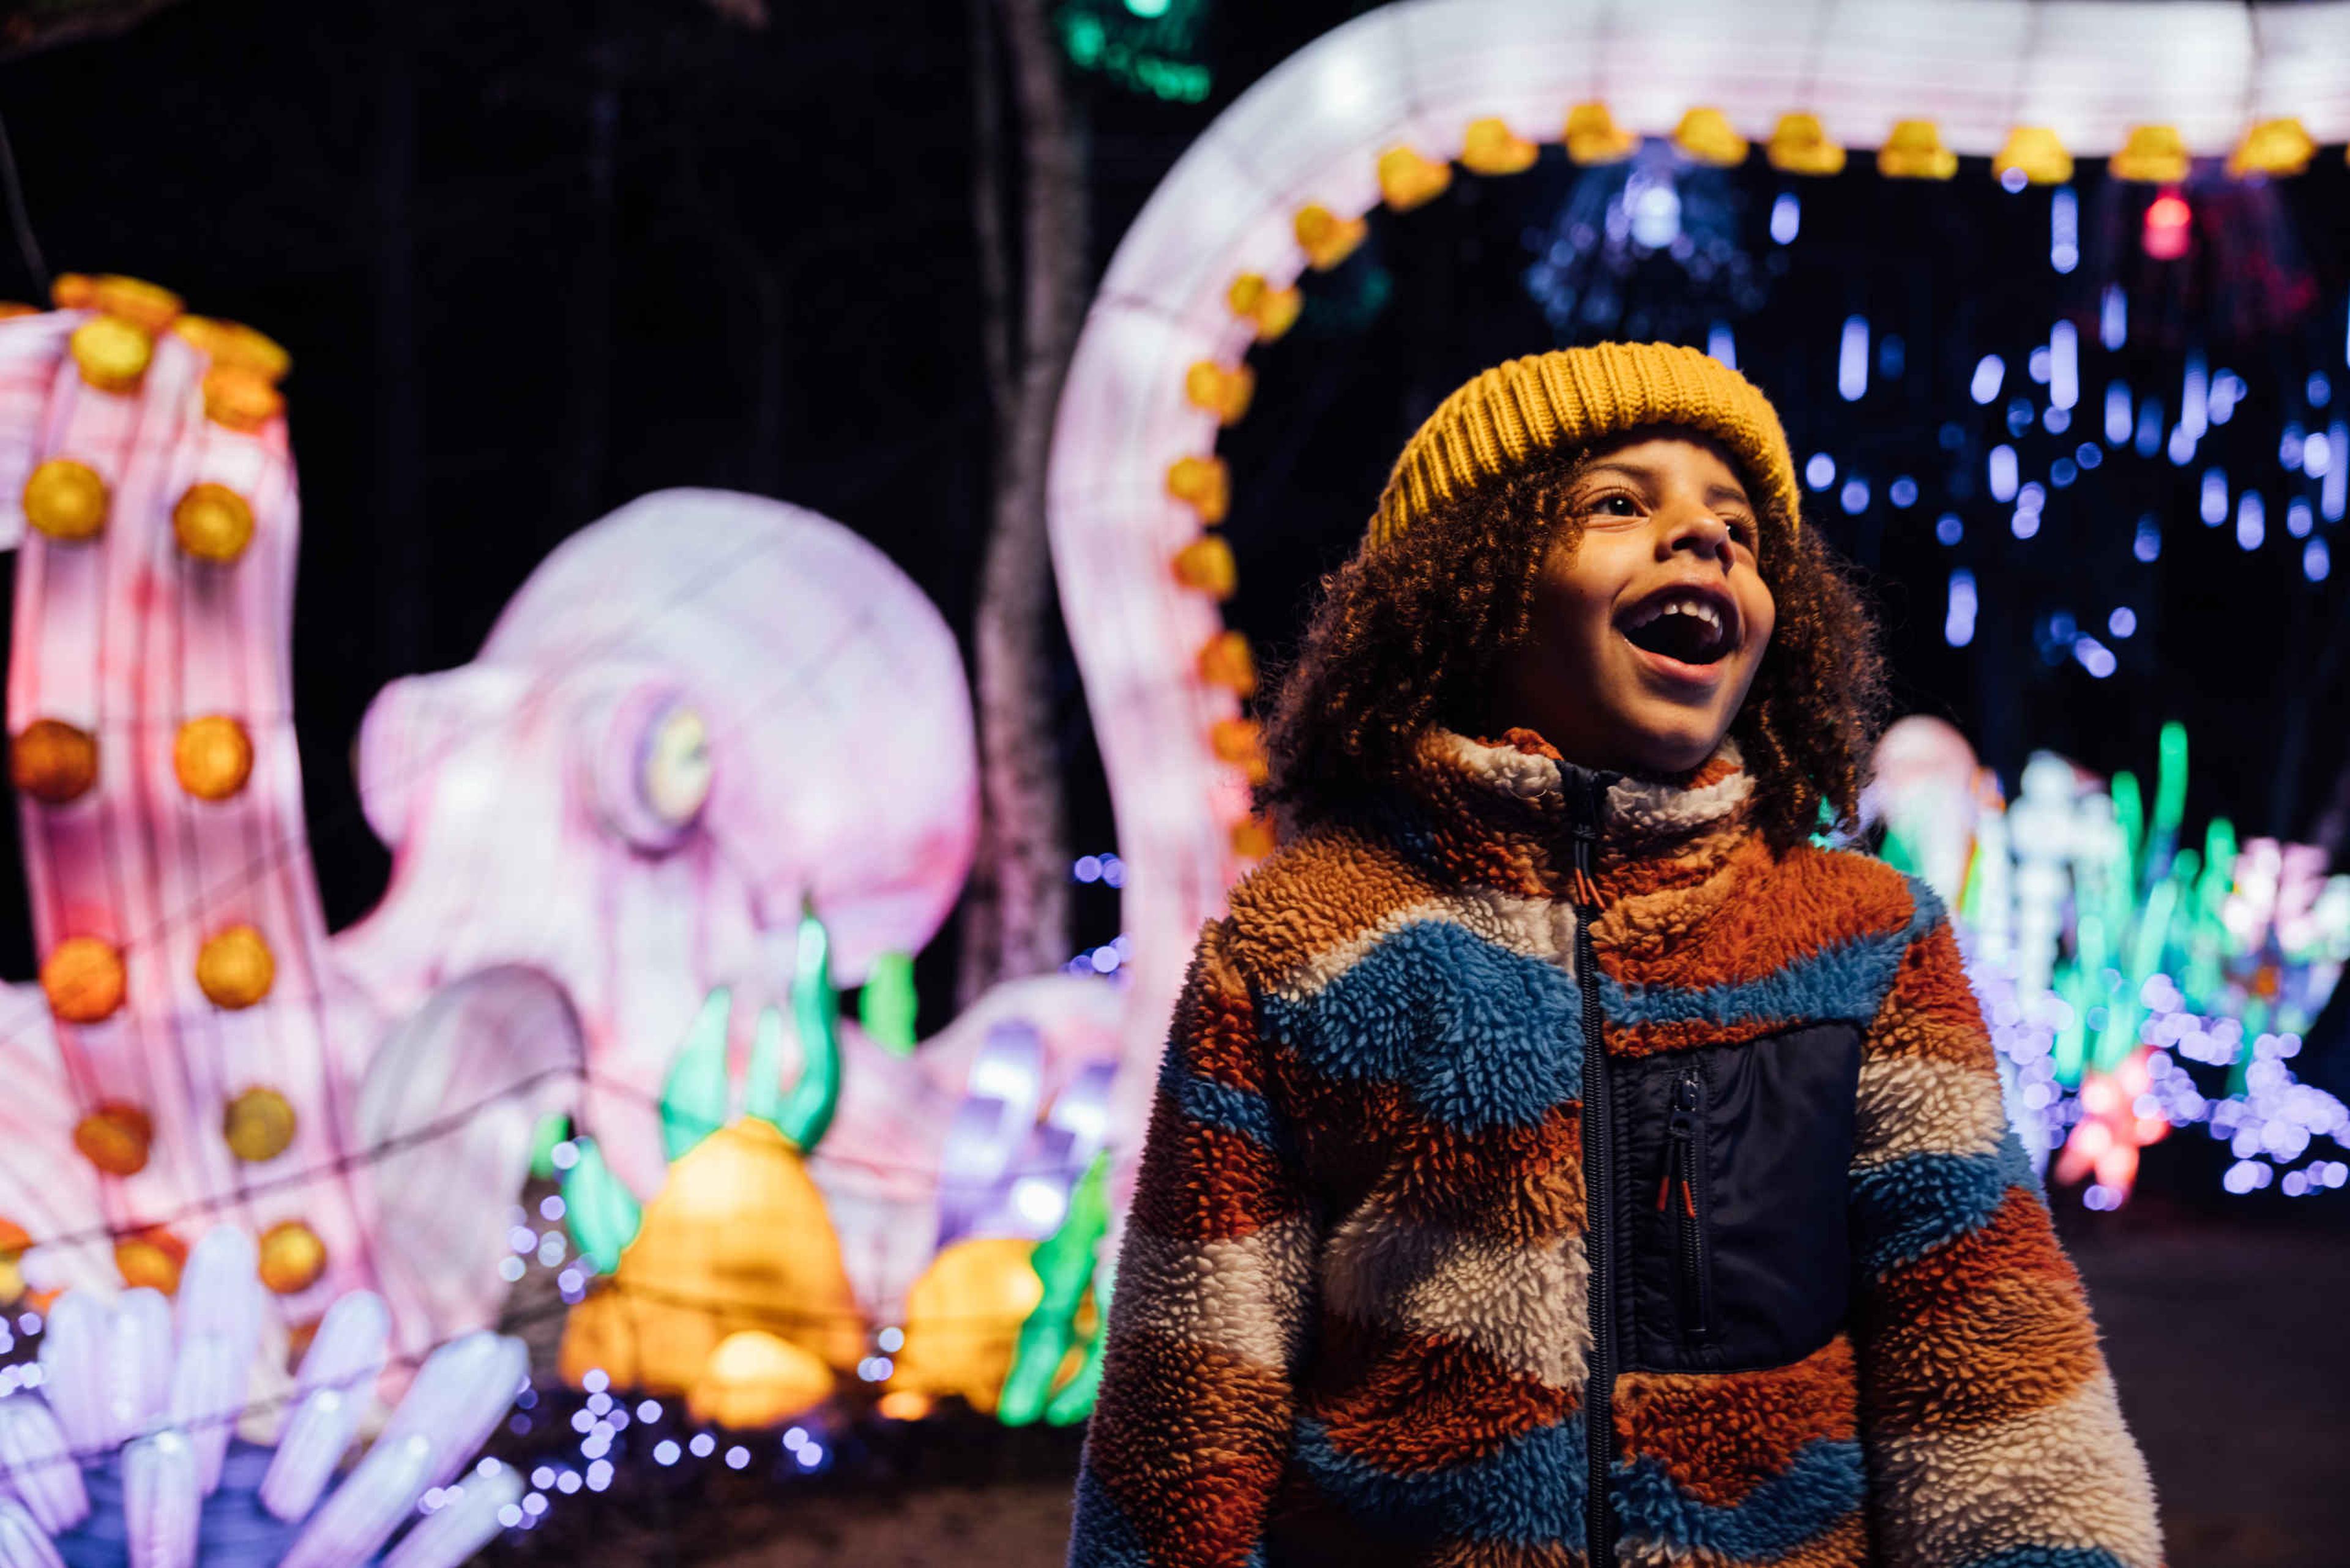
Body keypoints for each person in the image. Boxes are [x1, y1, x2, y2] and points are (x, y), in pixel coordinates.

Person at [1065, 343, 2162, 1568]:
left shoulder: (1866, 938)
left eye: (1740, 531)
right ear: (1466, 585)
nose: (1704, 543)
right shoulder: (1302, 942)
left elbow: (1991, 1365)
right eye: (1619, 504)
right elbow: (1190, 1400)